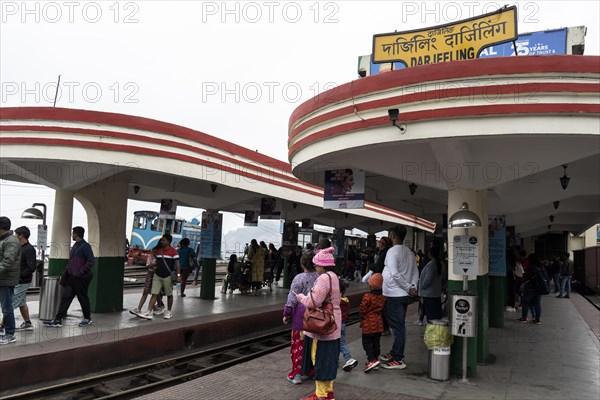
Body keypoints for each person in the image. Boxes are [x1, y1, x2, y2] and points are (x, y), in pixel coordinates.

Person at [297, 247, 341, 400]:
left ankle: (320, 394)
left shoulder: (323, 278)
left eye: (316, 265)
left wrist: (302, 298)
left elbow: (314, 301)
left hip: (323, 325)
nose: (315, 268)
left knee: (319, 358)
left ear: (322, 265)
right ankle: (329, 392)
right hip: (334, 322)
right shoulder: (334, 276)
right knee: (330, 358)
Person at [379, 225, 418, 370]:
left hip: (394, 295)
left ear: (392, 235)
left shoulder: (392, 251)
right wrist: (413, 285)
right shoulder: (409, 252)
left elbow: (395, 273)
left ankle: (398, 359)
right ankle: (395, 352)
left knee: (398, 328)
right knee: (397, 326)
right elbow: (415, 270)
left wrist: (408, 287)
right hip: (401, 295)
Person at [44, 226, 95, 328]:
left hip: (80, 278)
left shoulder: (85, 246)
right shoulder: (76, 246)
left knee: (82, 298)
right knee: (66, 298)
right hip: (71, 277)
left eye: (73, 233)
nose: (72, 235)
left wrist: (81, 271)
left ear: (76, 234)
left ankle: (87, 318)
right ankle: (58, 319)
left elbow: (91, 261)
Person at [282, 251, 318, 385]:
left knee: (298, 345)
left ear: (302, 263)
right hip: (316, 317)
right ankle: (313, 371)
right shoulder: (320, 277)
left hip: (300, 318)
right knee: (314, 346)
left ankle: (296, 374)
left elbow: (292, 298)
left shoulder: (299, 278)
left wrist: (286, 314)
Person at [141, 234, 180, 320]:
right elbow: (158, 263)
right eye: (161, 240)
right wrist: (152, 266)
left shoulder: (174, 252)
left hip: (167, 277)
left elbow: (177, 265)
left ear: (168, 242)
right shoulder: (159, 251)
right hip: (157, 276)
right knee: (154, 293)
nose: (161, 242)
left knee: (169, 294)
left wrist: (178, 275)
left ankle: (169, 312)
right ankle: (148, 312)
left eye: (163, 240)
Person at [0, 217, 21, 345]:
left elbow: (8, 261)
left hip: (6, 280)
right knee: (5, 307)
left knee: (7, 308)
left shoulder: (11, 241)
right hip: (2, 279)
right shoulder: (4, 240)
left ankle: (10, 334)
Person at [360, 272, 385, 373]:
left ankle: (372, 360)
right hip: (378, 323)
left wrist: (362, 317)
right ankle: (375, 359)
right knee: (376, 343)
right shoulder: (382, 297)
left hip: (368, 324)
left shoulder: (367, 296)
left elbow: (362, 309)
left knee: (366, 343)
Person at [130, 245, 165, 317]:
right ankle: (139, 308)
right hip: (150, 274)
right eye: (153, 251)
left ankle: (159, 306)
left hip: (157, 276)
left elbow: (156, 267)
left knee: (156, 293)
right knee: (146, 291)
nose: (154, 253)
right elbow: (148, 266)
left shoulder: (162, 258)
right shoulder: (151, 257)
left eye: (156, 252)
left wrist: (153, 266)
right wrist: (155, 264)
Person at [14, 227, 37, 331]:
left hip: (23, 281)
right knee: (22, 303)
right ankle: (28, 323)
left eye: (16, 234)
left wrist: (19, 275)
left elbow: (31, 267)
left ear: (21, 236)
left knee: (10, 304)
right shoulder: (20, 247)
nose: (15, 236)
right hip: (18, 280)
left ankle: (2, 326)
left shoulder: (29, 249)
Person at [418, 244, 443, 322]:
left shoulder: (431, 265)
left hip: (429, 294)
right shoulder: (441, 264)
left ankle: (431, 332)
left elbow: (428, 279)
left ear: (431, 254)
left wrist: (422, 286)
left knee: (430, 316)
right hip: (436, 293)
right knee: (436, 316)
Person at [338, 277, 358, 372]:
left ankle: (349, 359)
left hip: (337, 325)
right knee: (337, 343)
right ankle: (335, 361)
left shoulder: (337, 301)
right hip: (343, 324)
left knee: (341, 343)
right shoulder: (346, 300)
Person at [517, 253, 543, 325]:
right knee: (537, 304)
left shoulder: (531, 267)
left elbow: (526, 277)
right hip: (538, 289)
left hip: (530, 288)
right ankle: (537, 319)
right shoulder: (541, 266)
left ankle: (524, 318)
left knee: (525, 302)